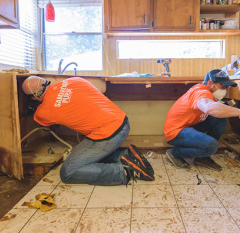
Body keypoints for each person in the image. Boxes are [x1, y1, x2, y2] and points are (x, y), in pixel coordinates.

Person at [22, 76, 154, 185]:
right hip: (123, 123)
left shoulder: (44, 111)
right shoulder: (75, 80)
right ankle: (127, 155)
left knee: (68, 172)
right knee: (90, 156)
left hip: (108, 135)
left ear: (35, 97)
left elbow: (40, 120)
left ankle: (125, 171)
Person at [163, 69, 240, 171]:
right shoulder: (201, 92)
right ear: (210, 83)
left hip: (188, 127)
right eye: (222, 86)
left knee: (219, 119)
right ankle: (175, 153)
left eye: (226, 87)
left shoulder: (208, 93)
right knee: (212, 146)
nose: (224, 90)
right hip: (176, 132)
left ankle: (202, 157)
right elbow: (209, 107)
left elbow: (218, 109)